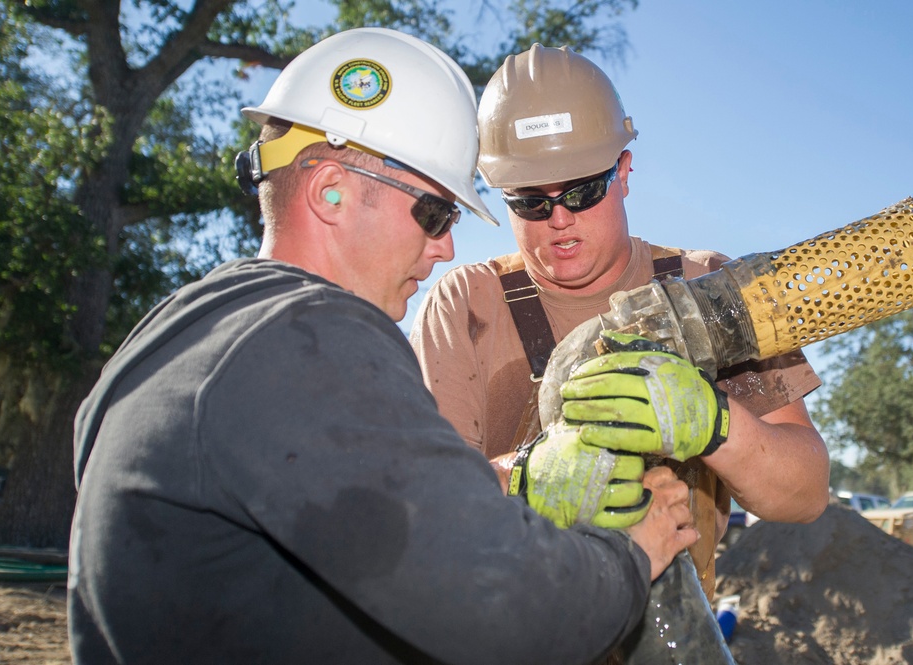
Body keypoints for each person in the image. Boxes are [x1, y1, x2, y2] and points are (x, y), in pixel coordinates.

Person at [66, 29, 700, 664]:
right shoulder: (313, 338)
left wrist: (513, 477)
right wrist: (635, 551)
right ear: (330, 191)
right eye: (434, 214)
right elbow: (501, 610)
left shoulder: (169, 337)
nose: (446, 247)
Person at [410, 43, 831, 601]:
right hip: (517, 626)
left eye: (583, 191)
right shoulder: (467, 303)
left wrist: (714, 424)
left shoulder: (709, 286)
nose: (559, 219)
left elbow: (805, 493)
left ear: (624, 172)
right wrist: (528, 476)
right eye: (530, 201)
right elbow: (428, 500)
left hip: (676, 628)